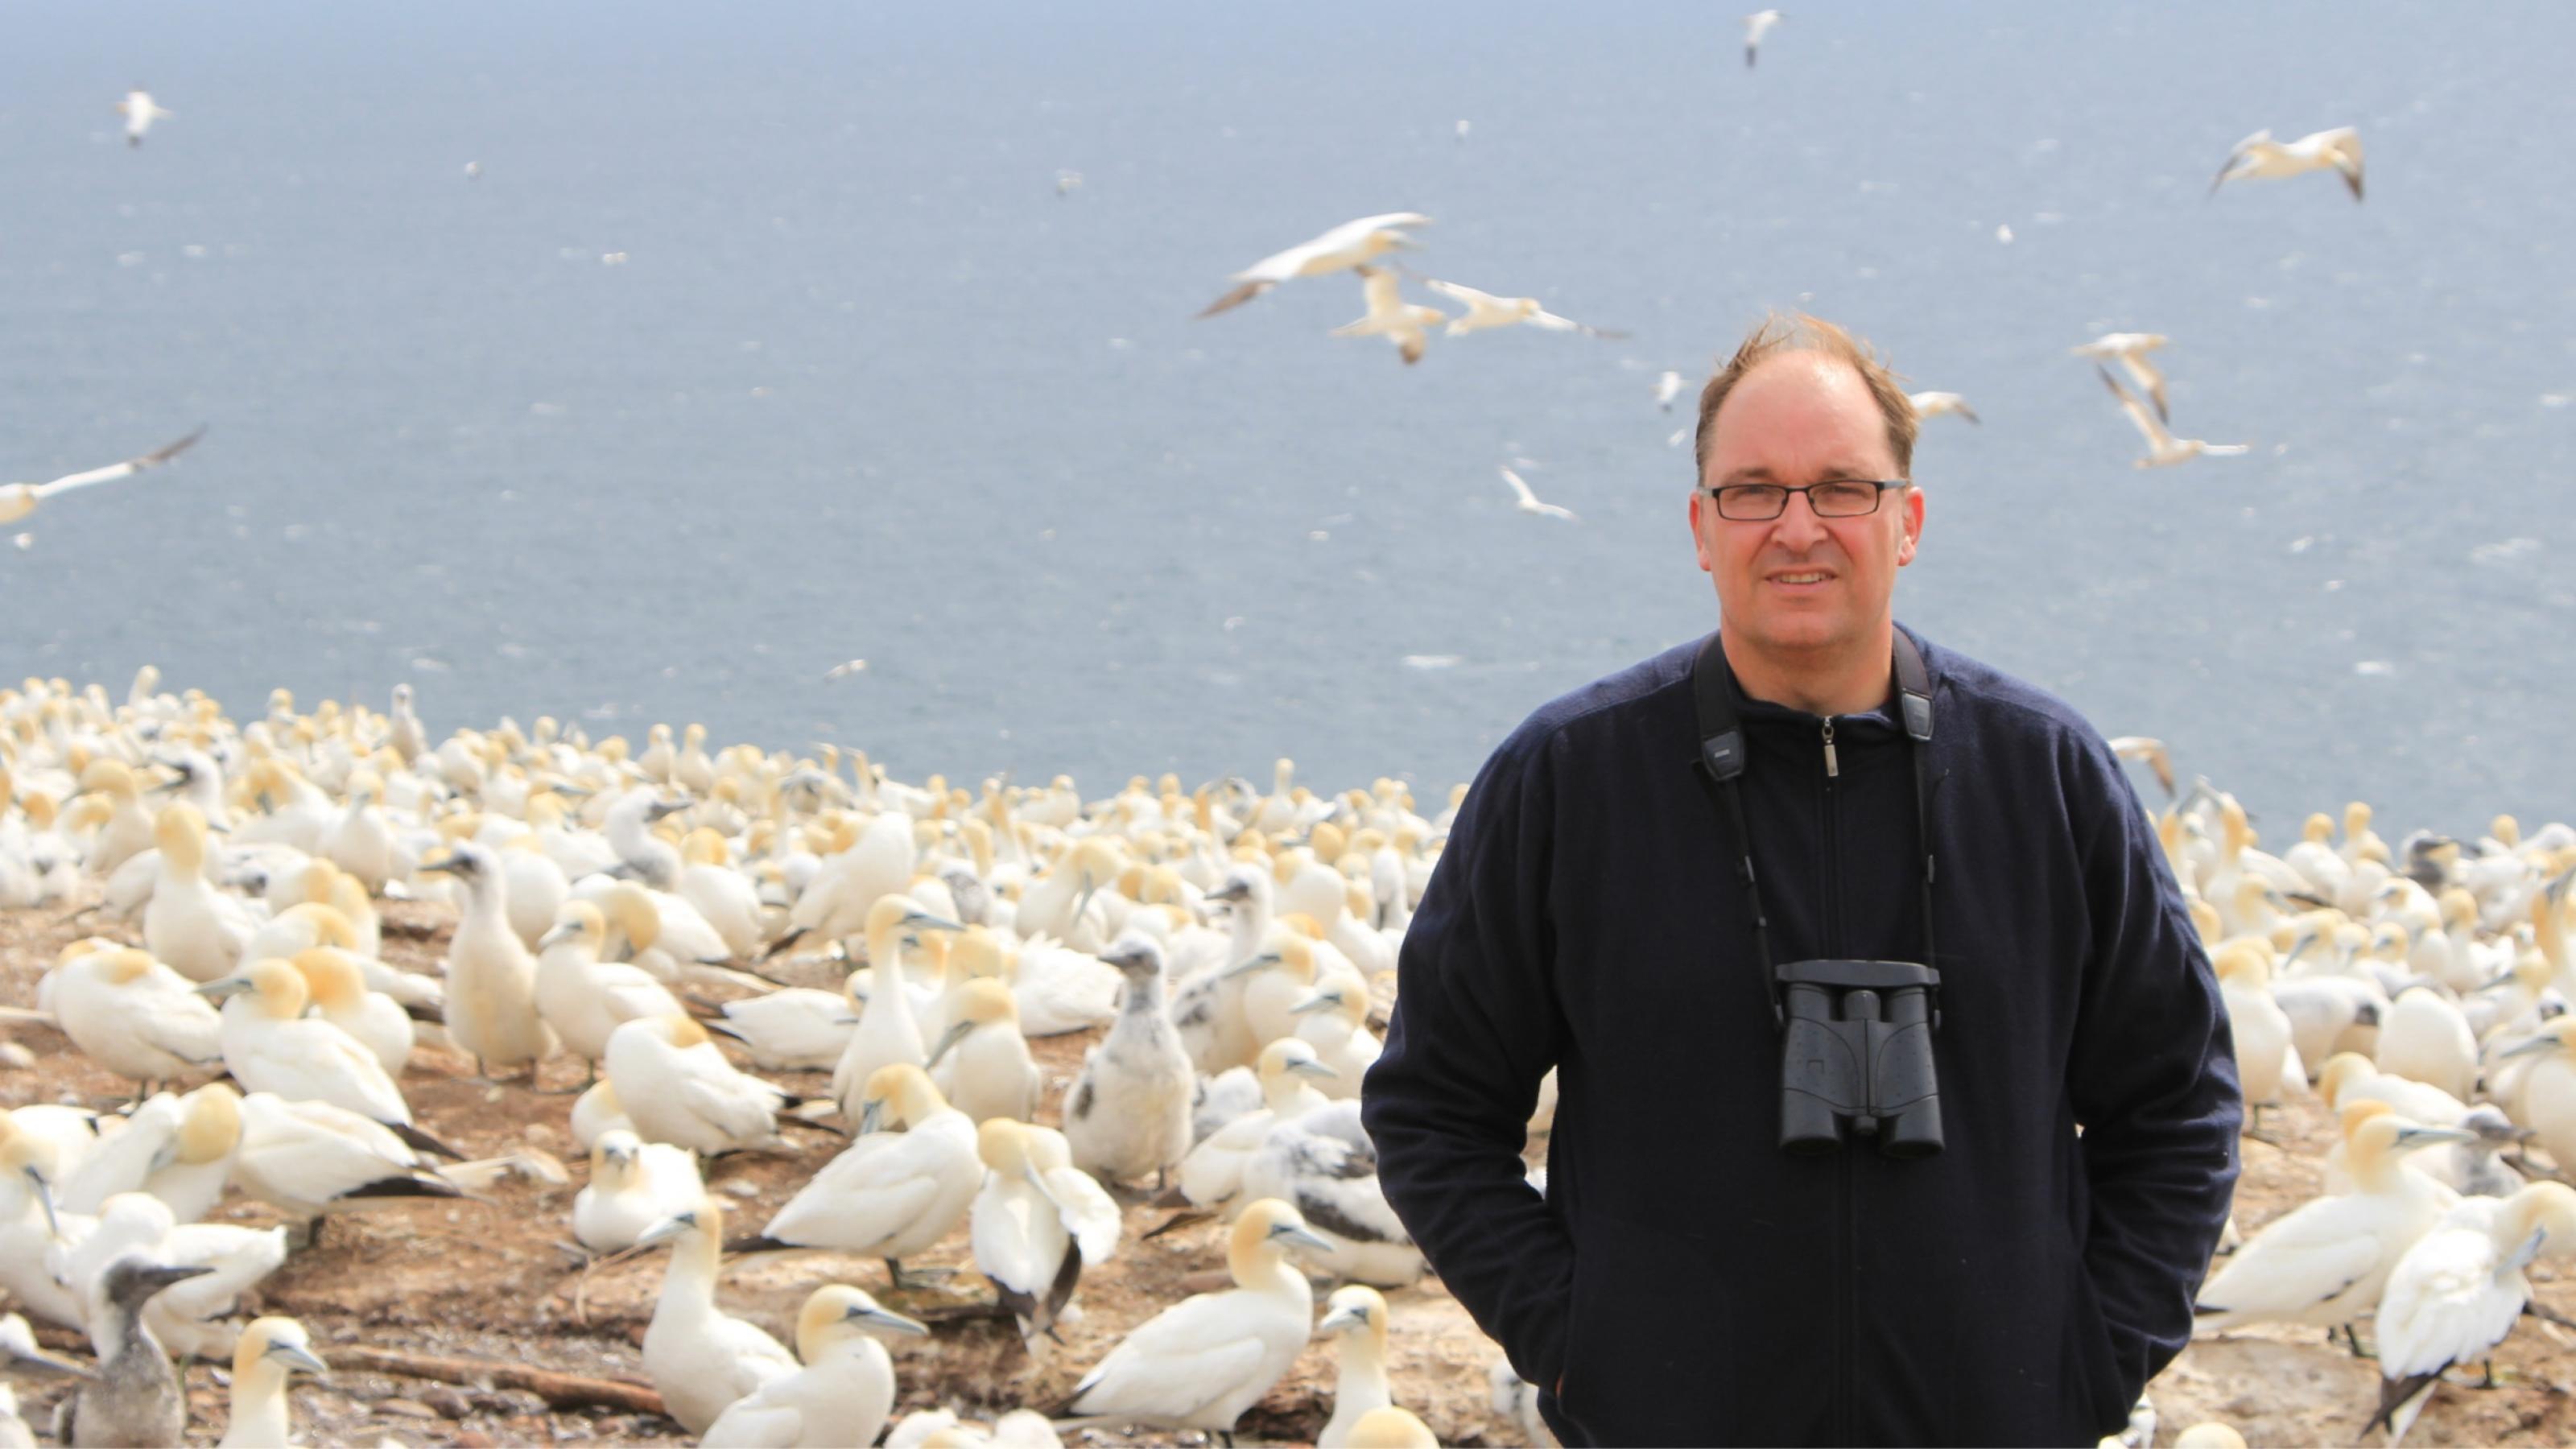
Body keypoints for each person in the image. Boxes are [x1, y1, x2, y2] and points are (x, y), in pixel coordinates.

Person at [1361, 313, 2240, 1447]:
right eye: (1752, 491)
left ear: (1908, 519)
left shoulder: (2045, 777)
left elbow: (2178, 1103)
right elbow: (1430, 1109)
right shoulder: (1572, 782)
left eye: (1841, 488)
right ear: (1699, 527)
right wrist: (1585, 1347)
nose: (1796, 529)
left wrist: (2084, 1366)